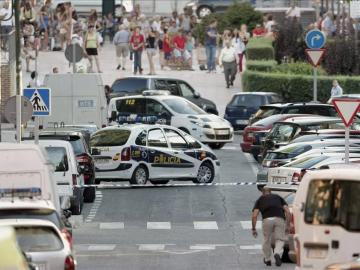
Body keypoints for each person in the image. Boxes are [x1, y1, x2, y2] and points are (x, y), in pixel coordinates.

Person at [252, 187, 290, 267]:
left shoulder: (260, 199)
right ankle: (277, 253)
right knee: (280, 239)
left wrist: (254, 228)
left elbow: (254, 215)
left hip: (267, 220)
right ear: (270, 192)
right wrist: (288, 224)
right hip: (279, 218)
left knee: (266, 240)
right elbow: (287, 211)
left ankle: (267, 259)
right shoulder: (278, 197)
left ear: (262, 193)